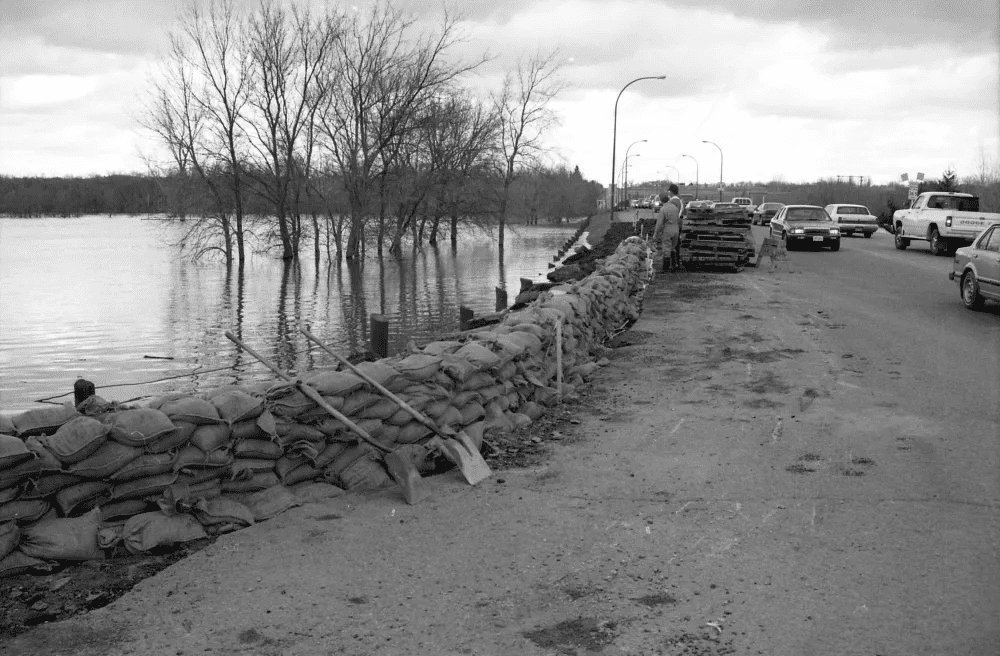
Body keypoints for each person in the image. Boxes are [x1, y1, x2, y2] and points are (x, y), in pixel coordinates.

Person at [653, 184, 684, 272]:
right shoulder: (674, 207)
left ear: (662, 200)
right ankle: (674, 266)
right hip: (676, 230)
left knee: (666, 249)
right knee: (673, 248)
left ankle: (666, 268)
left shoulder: (663, 209)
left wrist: (656, 234)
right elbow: (678, 219)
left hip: (668, 230)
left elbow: (659, 223)